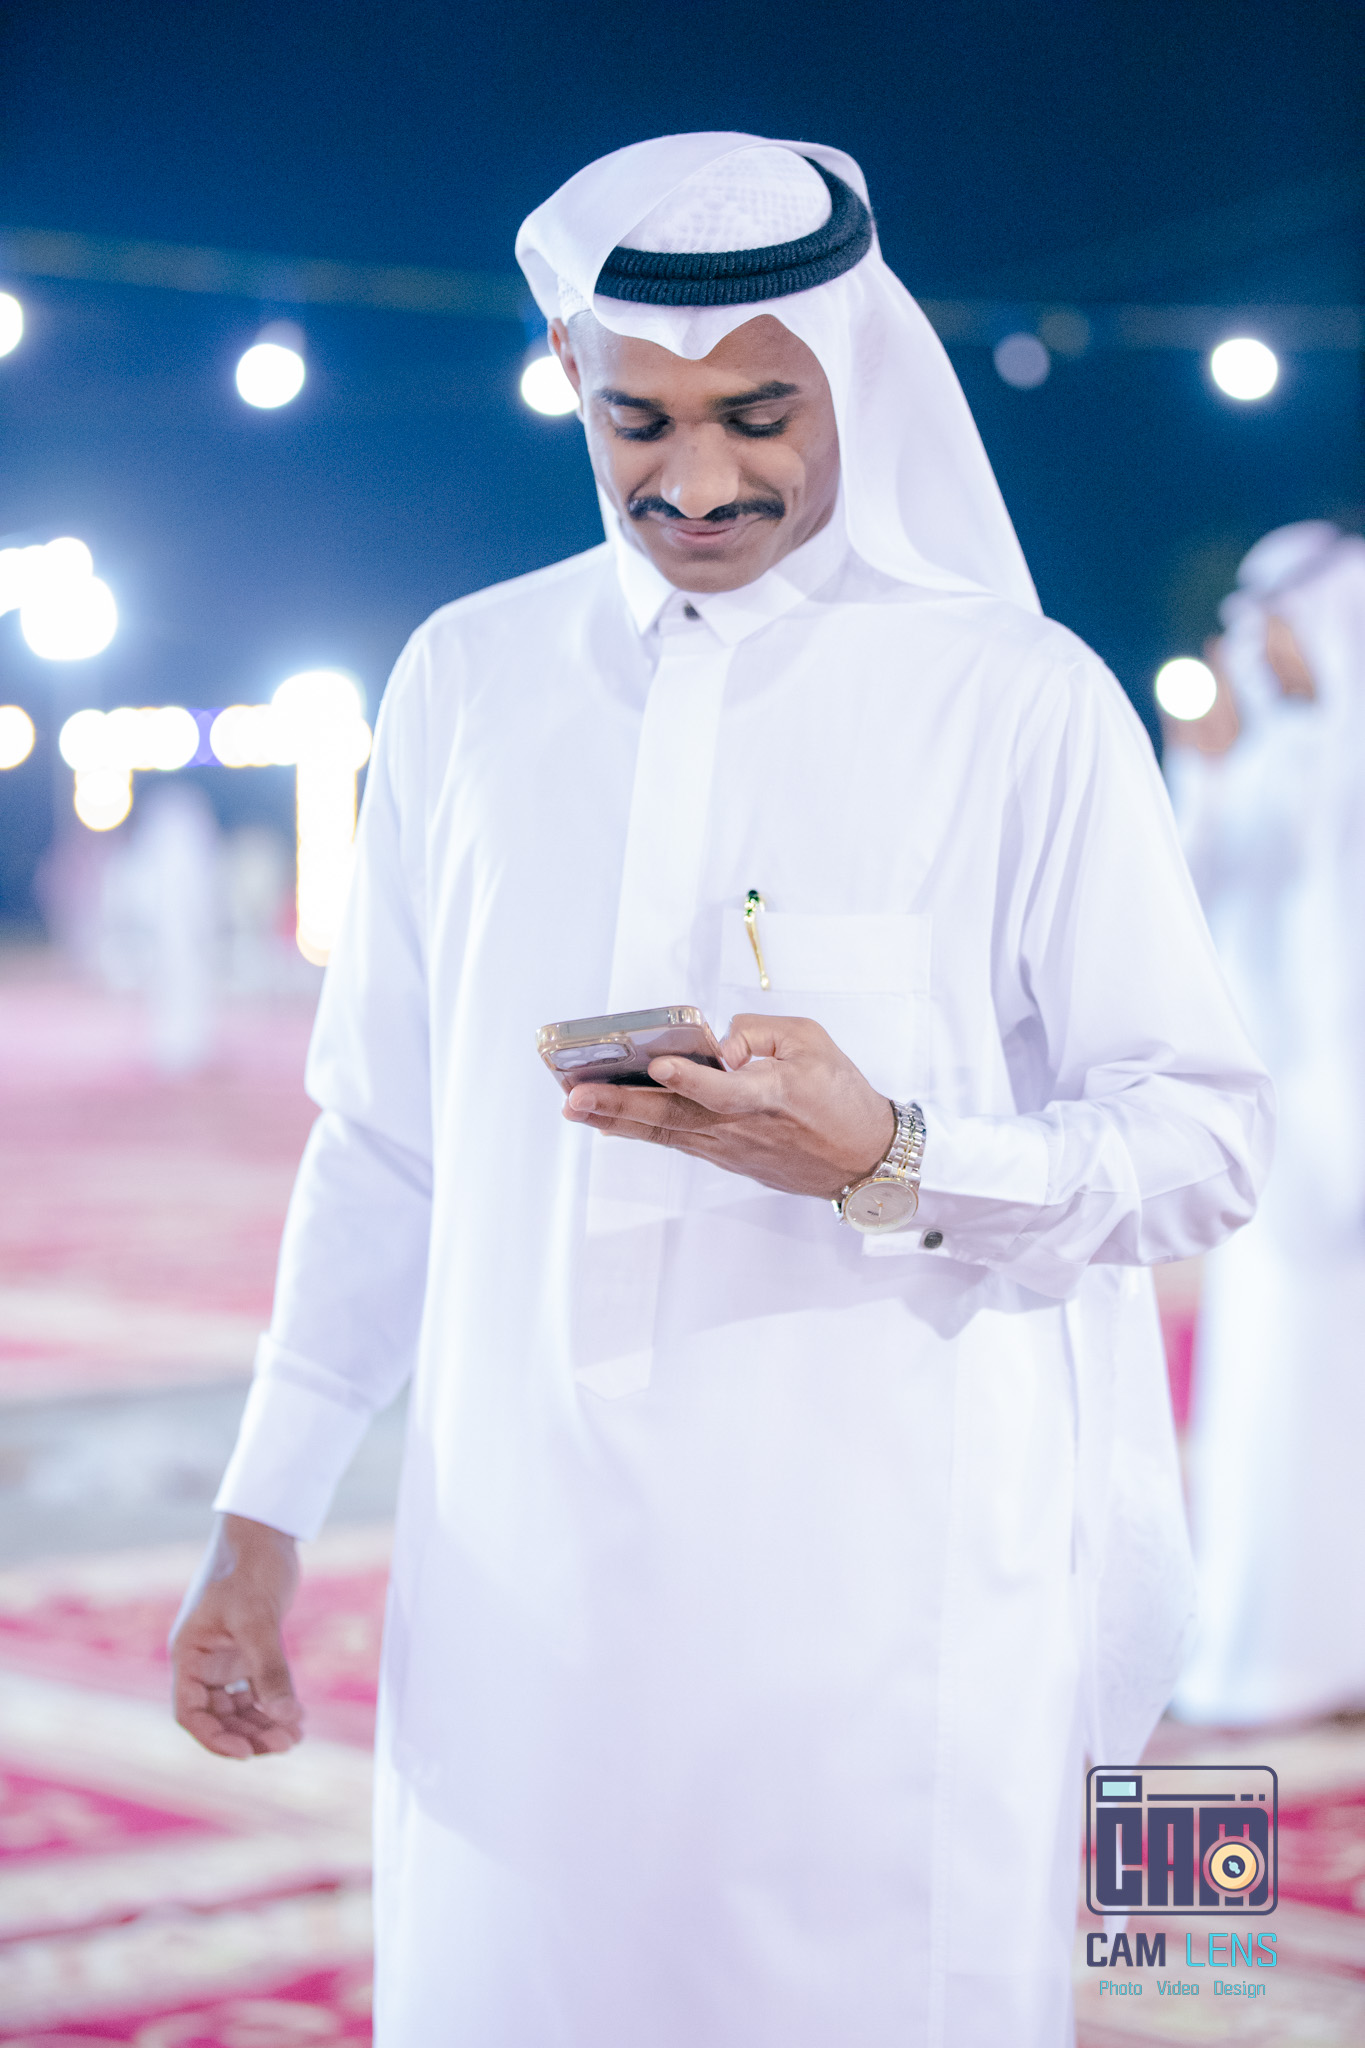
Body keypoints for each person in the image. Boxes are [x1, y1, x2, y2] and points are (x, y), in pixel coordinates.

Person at [171, 135, 1271, 2047]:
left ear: (857, 376)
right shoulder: (465, 682)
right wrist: (262, 1512)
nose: (695, 481)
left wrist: (896, 1154)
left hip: (892, 1618)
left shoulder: (1016, 698)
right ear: (572, 386)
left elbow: (1205, 1138)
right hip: (520, 1597)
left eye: (760, 417)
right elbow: (383, 1139)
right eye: (639, 421)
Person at [1167, 522, 1365, 1727]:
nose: (1264, 646)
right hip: (1289, 1141)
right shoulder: (1251, 767)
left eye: (1285, 624)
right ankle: (1288, 1652)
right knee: (1283, 1389)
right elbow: (1179, 917)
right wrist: (1208, 777)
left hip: (1352, 1124)